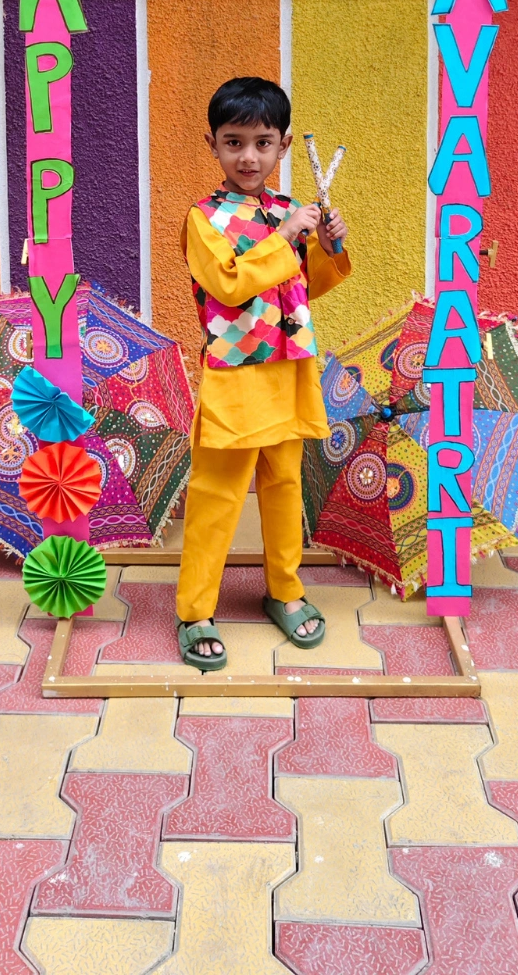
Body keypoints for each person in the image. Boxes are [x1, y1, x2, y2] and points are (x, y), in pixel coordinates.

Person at [175, 77, 352, 671]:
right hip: (234, 376)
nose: (248, 157)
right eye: (234, 142)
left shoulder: (286, 211)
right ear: (213, 145)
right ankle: (195, 610)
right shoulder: (203, 219)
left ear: (282, 147)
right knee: (217, 495)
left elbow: (306, 287)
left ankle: (285, 590)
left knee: (284, 487)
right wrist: (286, 234)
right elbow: (229, 286)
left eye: (262, 142)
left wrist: (328, 245)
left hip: (289, 370)